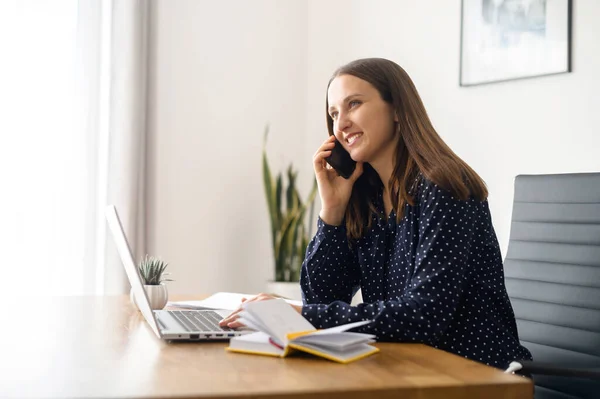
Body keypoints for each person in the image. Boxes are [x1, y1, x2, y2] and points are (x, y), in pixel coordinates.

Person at [220, 57, 532, 371]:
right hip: (407, 369)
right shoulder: (366, 196)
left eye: (353, 104)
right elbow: (321, 297)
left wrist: (298, 313)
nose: (340, 125)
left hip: (475, 374)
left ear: (397, 109)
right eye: (333, 113)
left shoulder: (444, 187)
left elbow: (423, 316)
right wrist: (332, 212)